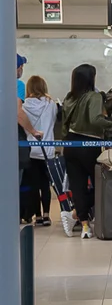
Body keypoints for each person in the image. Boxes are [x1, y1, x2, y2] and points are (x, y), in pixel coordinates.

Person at [61, 64, 112, 239]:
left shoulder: (69, 97)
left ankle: (84, 226)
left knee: (78, 186)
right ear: (91, 78)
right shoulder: (94, 96)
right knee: (103, 183)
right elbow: (95, 119)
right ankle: (75, 215)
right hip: (89, 144)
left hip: (71, 145)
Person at [22, 76, 58, 228]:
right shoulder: (51, 104)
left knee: (33, 185)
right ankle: (47, 215)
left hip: (30, 149)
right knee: (45, 184)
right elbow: (54, 122)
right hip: (47, 149)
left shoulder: (23, 106)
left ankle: (37, 215)